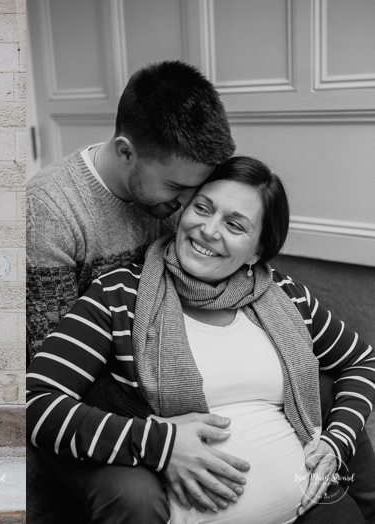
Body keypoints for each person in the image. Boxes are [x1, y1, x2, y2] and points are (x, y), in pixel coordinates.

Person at [26, 157, 375, 523]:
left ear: (257, 251)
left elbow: (361, 361)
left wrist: (338, 441)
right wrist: (157, 443)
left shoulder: (284, 295)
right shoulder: (121, 296)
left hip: (308, 508)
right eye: (202, 208)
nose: (208, 230)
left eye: (234, 225)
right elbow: (35, 402)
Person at [27, 60, 236, 366]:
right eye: (175, 185)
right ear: (126, 152)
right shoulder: (49, 211)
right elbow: (54, 360)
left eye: (196, 187)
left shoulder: (178, 194)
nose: (188, 202)